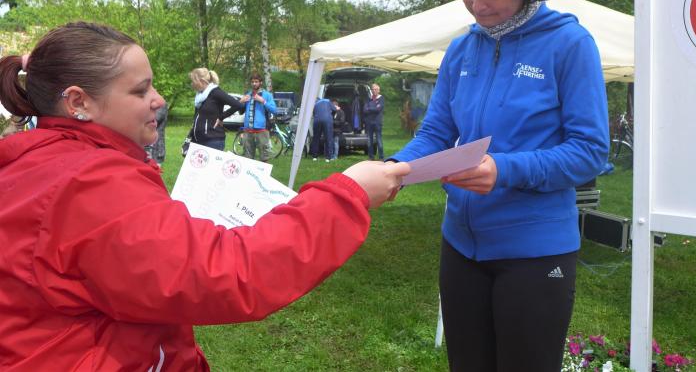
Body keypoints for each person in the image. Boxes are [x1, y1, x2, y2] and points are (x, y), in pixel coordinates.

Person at [0, 21, 410, 370]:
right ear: (78, 101)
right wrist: (348, 195)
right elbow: (229, 272)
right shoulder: (90, 184)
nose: (159, 100)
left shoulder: (39, 163)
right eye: (140, 91)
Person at [390, 0, 608, 372]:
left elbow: (589, 151)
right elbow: (435, 133)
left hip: (535, 250)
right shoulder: (461, 50)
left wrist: (505, 169)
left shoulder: (569, 44)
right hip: (460, 246)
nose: (478, 4)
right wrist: (394, 168)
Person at [189, 67, 242, 151]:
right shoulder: (199, 96)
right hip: (198, 140)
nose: (192, 84)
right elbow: (197, 118)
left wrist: (221, 117)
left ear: (201, 81)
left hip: (213, 140)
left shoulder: (216, 92)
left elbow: (238, 105)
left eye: (193, 81)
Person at [240, 73, 277, 162]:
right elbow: (241, 111)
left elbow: (274, 110)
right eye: (252, 82)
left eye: (256, 82)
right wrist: (240, 102)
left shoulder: (267, 95)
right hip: (248, 130)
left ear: (261, 82)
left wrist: (263, 101)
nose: (254, 84)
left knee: (264, 157)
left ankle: (264, 171)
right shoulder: (248, 94)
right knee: (247, 158)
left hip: (262, 130)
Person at [363, 83, 385, 160]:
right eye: (373, 89)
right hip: (369, 123)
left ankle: (381, 157)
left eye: (376, 89)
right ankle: (371, 157)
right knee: (370, 140)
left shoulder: (381, 98)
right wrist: (373, 108)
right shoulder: (368, 99)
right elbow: (364, 110)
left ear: (379, 90)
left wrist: (369, 108)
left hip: (377, 122)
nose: (374, 91)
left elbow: (378, 109)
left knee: (379, 140)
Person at [311, 96, 335, 162]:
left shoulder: (315, 104)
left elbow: (314, 113)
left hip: (317, 121)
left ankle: (314, 157)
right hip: (327, 120)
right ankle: (328, 157)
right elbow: (334, 109)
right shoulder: (328, 101)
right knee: (328, 138)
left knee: (316, 139)